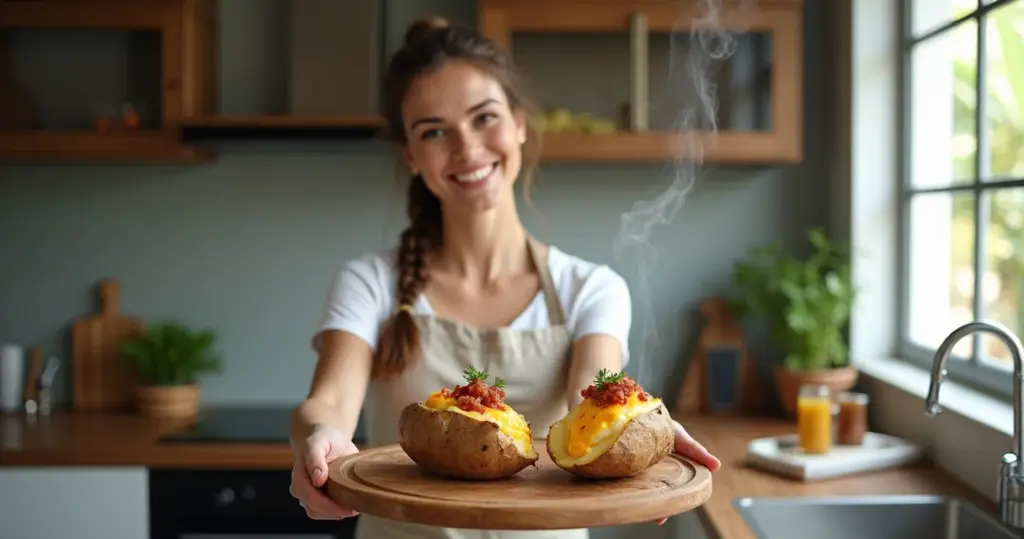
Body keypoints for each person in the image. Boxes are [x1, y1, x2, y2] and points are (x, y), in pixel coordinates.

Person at [288, 16, 722, 539]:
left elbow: (592, 395)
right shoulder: (369, 282)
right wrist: (321, 435)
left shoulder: (592, 288)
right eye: (434, 131)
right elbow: (329, 403)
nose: (467, 148)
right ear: (411, 155)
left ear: (519, 123)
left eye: (484, 118)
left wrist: (632, 423)